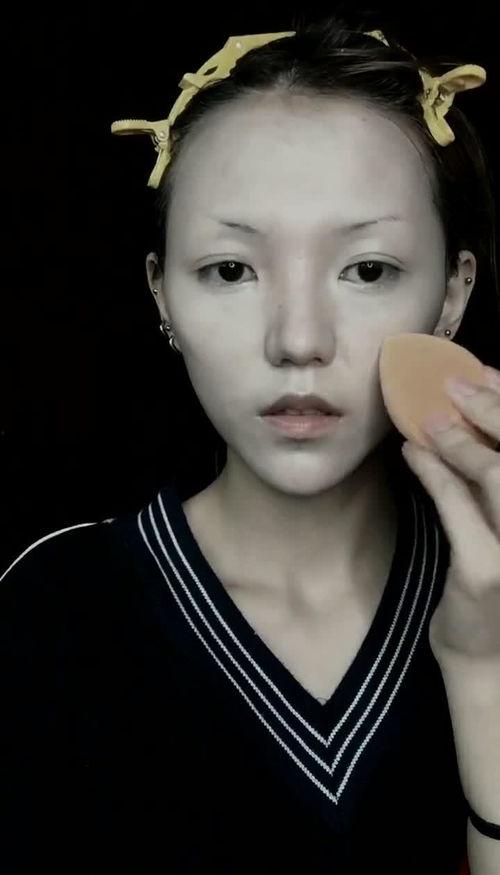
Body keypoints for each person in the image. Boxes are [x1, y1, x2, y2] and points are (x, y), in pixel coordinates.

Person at [0, 12, 497, 874]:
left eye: (367, 269)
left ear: (452, 296)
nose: (297, 340)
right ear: (162, 293)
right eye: (231, 269)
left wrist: (486, 671)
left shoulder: (485, 595)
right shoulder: (50, 609)